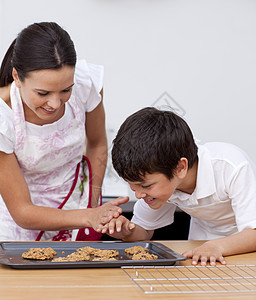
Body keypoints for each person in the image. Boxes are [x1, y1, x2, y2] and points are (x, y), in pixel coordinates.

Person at [0, 22, 127, 241]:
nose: (55, 103)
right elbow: (22, 211)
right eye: (43, 93)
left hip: (78, 205)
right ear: (17, 77)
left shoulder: (86, 84)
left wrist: (93, 200)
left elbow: (97, 143)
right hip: (20, 220)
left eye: (66, 90)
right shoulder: (3, 116)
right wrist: (88, 216)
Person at [100, 107, 256, 266]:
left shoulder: (231, 167)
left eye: (145, 185)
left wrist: (216, 245)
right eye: (132, 186)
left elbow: (254, 233)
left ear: (180, 168)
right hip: (199, 251)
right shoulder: (164, 184)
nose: (139, 195)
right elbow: (144, 232)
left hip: (244, 251)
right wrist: (127, 230)